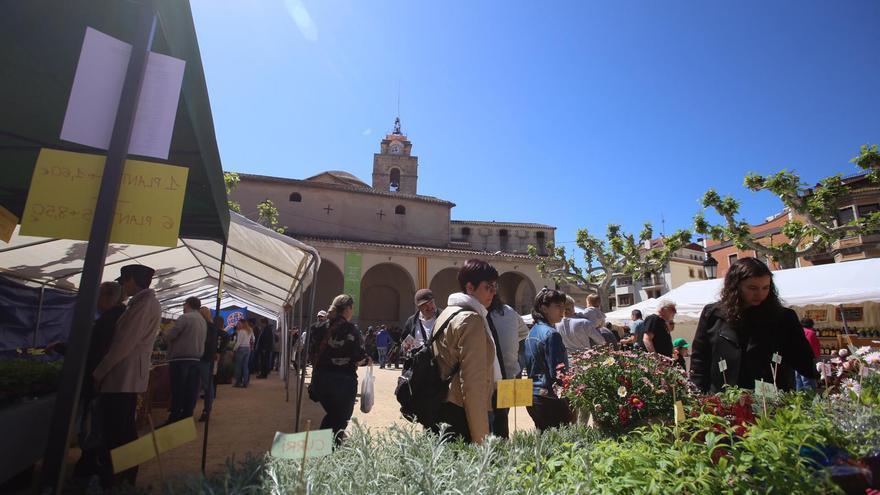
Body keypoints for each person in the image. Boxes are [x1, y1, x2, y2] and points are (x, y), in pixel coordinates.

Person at [690, 257, 818, 393]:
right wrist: (697, 394)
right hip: (725, 396)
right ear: (736, 286)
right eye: (752, 288)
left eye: (765, 288)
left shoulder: (784, 317)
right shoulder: (713, 314)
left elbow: (802, 358)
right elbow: (700, 359)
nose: (760, 294)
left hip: (768, 396)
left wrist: (820, 370)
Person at [92, 264, 160, 489]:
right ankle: (124, 475)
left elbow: (124, 344)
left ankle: (118, 477)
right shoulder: (143, 303)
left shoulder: (144, 304)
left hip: (124, 376)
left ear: (132, 281)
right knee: (123, 428)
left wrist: (100, 371)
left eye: (125, 281)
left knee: (118, 431)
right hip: (127, 376)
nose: (123, 285)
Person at [432, 259, 502, 444]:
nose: (493, 293)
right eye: (488, 287)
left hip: (443, 404)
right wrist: (481, 439)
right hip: (464, 412)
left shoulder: (447, 313)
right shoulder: (471, 319)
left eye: (495, 287)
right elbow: (473, 382)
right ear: (470, 287)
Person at [69, 281, 126, 482]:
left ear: (107, 297)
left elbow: (97, 350)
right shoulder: (122, 316)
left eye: (100, 297)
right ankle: (92, 463)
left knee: (95, 424)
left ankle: (91, 464)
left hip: (100, 378)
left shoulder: (110, 319)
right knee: (98, 424)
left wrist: (96, 376)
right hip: (107, 378)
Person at [308, 294, 369, 443]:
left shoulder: (316, 328)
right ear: (347, 309)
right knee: (339, 422)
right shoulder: (351, 329)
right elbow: (359, 357)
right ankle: (326, 455)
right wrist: (367, 360)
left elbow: (309, 352)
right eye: (352, 308)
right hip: (342, 384)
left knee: (332, 417)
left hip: (319, 381)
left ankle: (321, 452)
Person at [523, 288, 571, 432]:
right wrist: (567, 397)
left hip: (533, 395)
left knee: (545, 445)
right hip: (550, 398)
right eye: (557, 306)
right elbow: (558, 372)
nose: (562, 310)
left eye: (563, 306)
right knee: (560, 446)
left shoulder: (531, 332)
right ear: (543, 308)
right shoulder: (552, 334)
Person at [487, 294, 530, 438]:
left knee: (492, 416)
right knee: (504, 415)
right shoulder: (510, 311)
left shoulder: (479, 313)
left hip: (492, 374)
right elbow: (524, 332)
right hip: (513, 371)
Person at [163, 296, 207, 423]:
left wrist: (165, 333)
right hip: (196, 359)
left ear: (187, 304)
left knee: (178, 390)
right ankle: (187, 416)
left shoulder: (185, 317)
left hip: (180, 359)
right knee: (191, 390)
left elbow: (171, 335)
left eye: (184, 305)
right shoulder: (202, 320)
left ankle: (174, 418)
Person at [197, 308, 220, 422]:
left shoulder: (205, 326)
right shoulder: (212, 326)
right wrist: (218, 350)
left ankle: (206, 410)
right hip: (207, 357)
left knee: (205, 385)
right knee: (208, 385)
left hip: (203, 357)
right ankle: (207, 410)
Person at [795, 317, 820, 391]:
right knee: (808, 382)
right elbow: (814, 348)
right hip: (806, 359)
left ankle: (799, 398)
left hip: (796, 359)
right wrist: (816, 357)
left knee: (798, 380)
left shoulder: (797, 332)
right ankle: (809, 399)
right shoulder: (811, 333)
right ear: (811, 324)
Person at [232, 319, 254, 388]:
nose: (238, 325)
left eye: (239, 323)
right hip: (248, 349)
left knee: (238, 366)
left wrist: (234, 349)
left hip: (241, 349)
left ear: (243, 324)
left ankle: (237, 382)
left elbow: (238, 342)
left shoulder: (241, 331)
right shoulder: (249, 330)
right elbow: (253, 339)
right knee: (245, 366)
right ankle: (245, 382)